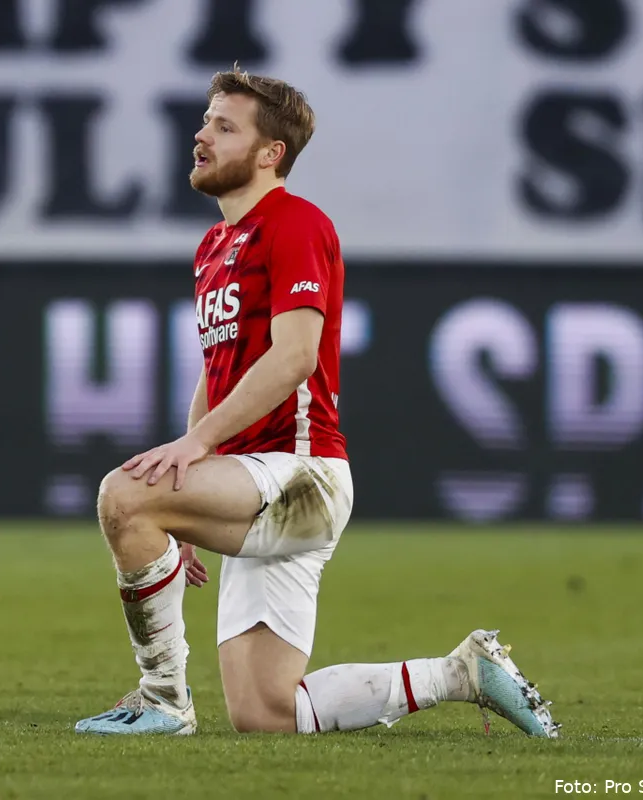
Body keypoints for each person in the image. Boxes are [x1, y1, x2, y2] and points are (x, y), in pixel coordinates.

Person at [73, 67, 560, 738]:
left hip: (301, 473)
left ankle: (162, 700)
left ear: (270, 152)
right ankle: (461, 673)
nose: (201, 135)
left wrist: (191, 455)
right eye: (206, 121)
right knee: (266, 713)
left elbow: (296, 356)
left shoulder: (295, 223)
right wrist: (188, 491)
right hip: (254, 480)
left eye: (224, 126)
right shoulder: (214, 246)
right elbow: (218, 375)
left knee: (124, 495)